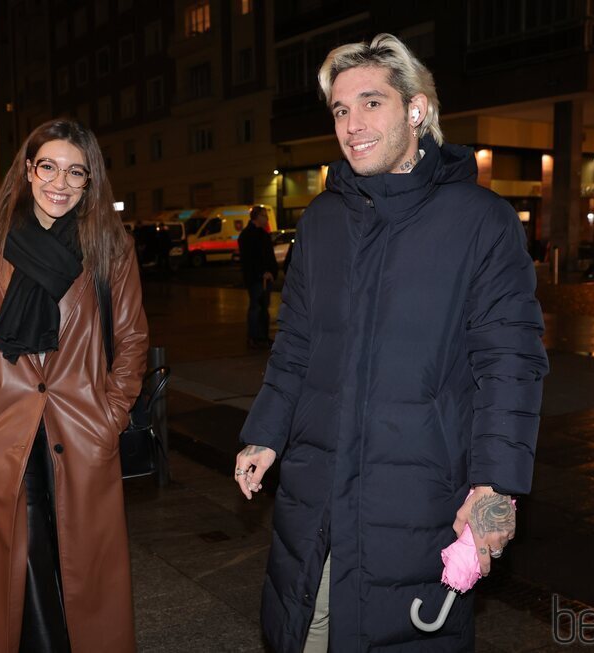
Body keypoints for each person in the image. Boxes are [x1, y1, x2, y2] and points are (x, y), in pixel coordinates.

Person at [234, 34, 549, 651]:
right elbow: (296, 343)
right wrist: (266, 433)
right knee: (305, 632)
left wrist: (494, 490)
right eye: (341, 111)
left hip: (417, 498)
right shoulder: (322, 223)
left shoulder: (480, 222)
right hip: (316, 493)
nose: (352, 125)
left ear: (416, 109)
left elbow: (510, 365)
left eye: (371, 103)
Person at [0, 118, 148, 653]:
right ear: (28, 170)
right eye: (49, 167)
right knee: (26, 561)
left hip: (82, 428)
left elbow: (131, 339)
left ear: (90, 182)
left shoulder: (110, 245)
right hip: (6, 425)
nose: (60, 183)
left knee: (83, 568)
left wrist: (113, 414)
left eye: (75, 173)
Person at [238, 205, 278, 349]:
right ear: (257, 217)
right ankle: (254, 337)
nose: (266, 218)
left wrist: (272, 272)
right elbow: (249, 260)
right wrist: (262, 273)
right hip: (256, 279)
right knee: (256, 307)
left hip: (265, 278)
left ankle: (262, 336)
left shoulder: (264, 235)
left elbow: (269, 257)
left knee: (263, 308)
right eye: (264, 215)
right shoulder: (247, 236)